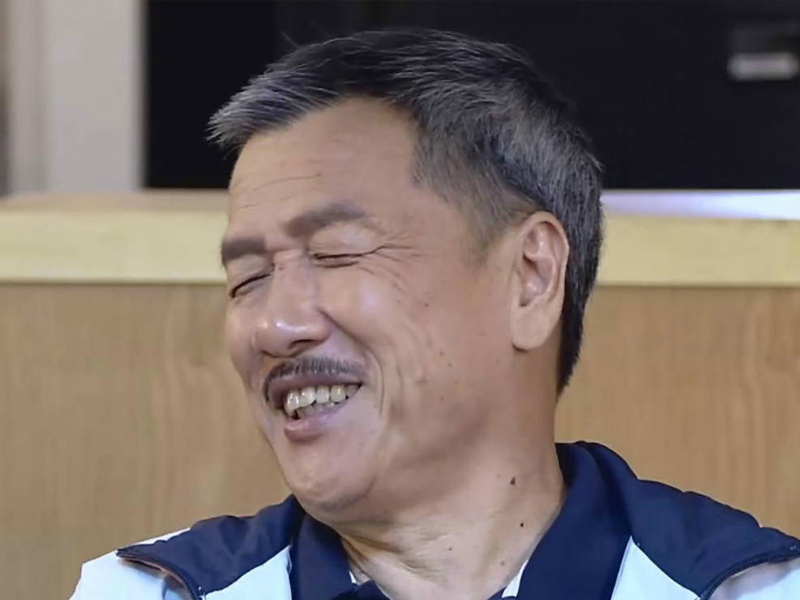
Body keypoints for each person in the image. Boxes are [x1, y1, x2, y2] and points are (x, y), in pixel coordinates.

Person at [70, 28, 800, 600]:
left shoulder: (749, 590)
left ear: (531, 279)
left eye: (335, 253)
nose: (274, 326)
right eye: (248, 278)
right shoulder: (150, 593)